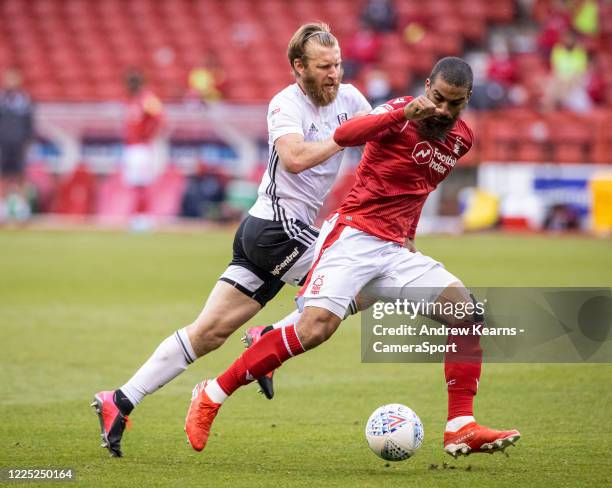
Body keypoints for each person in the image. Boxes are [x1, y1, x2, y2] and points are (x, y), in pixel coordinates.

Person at [185, 57, 521, 459]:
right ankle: (212, 392)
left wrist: (409, 236)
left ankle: (460, 426)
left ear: (467, 100)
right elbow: (345, 134)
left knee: (466, 313)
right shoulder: (396, 112)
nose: (444, 111)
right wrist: (399, 114)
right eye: (438, 99)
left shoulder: (460, 138)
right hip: (354, 237)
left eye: (455, 104)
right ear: (427, 86)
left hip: (396, 250)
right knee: (316, 329)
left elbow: (418, 187)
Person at [92, 22, 372, 457]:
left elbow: (375, 141)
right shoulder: (286, 103)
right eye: (323, 66)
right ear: (299, 67)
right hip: (276, 229)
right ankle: (268, 337)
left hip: (275, 235)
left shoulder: (350, 98)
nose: (334, 74)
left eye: (337, 64)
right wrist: (343, 138)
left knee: (208, 333)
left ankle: (121, 399)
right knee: (360, 280)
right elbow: (295, 159)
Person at [122, 69, 164, 230]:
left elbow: (160, 117)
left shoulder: (147, 99)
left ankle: (144, 217)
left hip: (142, 147)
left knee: (143, 184)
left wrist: (148, 135)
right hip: (131, 147)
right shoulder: (130, 100)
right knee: (134, 185)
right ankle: (137, 216)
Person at [0, 68, 34, 222]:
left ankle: (22, 210)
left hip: (19, 145)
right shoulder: (1, 100)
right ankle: (2, 209)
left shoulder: (24, 101)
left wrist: (27, 143)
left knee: (21, 177)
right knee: (3, 177)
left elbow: (30, 126)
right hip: (3, 145)